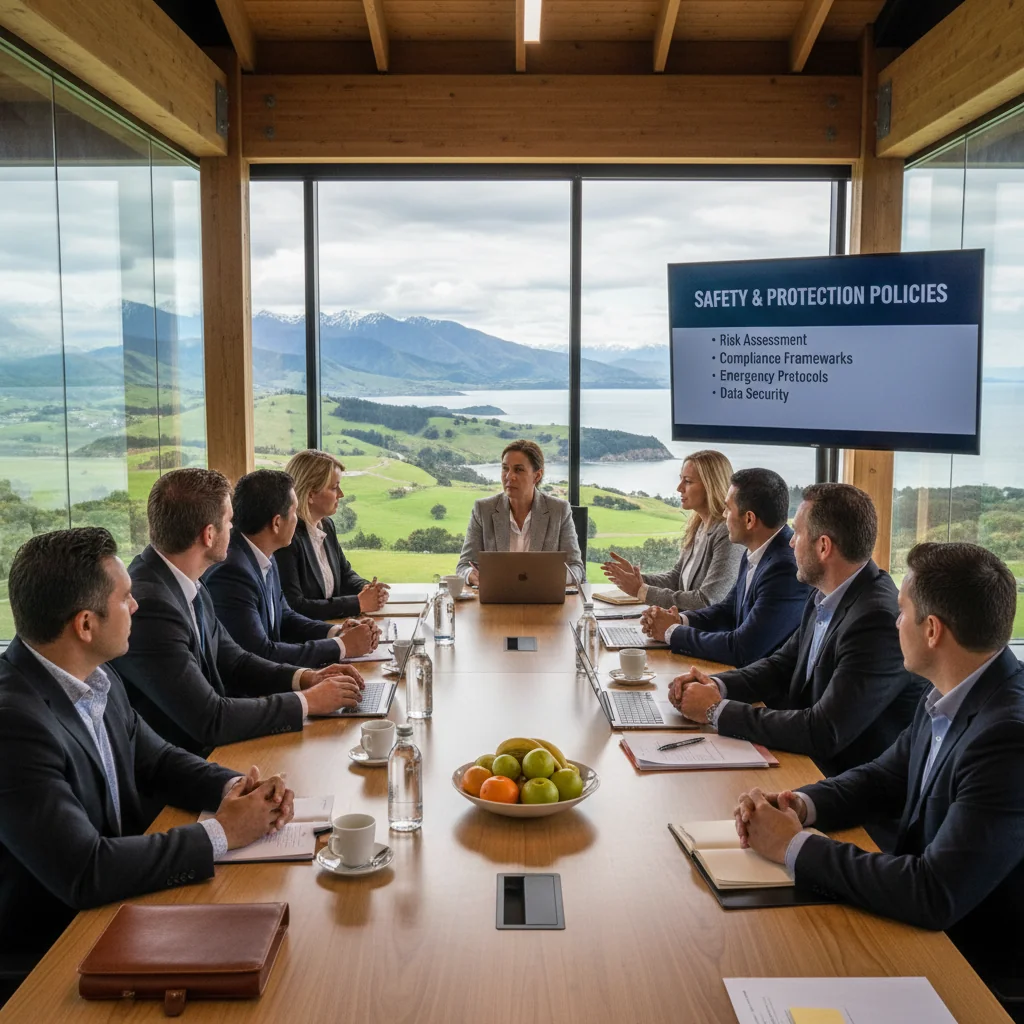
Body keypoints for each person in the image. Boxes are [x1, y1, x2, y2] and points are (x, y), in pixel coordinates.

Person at [0, 528, 296, 973]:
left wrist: (236, 788)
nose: (136, 606)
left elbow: (157, 759)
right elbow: (86, 870)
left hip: (125, 903)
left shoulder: (97, 676)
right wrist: (223, 833)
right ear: (85, 624)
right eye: (125, 598)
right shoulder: (13, 723)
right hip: (55, 953)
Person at [733, 542, 1024, 994]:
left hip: (970, 973)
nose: (894, 621)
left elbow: (933, 892)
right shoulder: (956, 691)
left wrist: (794, 845)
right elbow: (885, 777)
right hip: (917, 929)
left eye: (902, 612)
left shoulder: (1008, 738)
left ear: (932, 631)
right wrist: (800, 803)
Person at [668, 483, 926, 782]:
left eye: (798, 533)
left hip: (842, 786)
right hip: (805, 764)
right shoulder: (825, 594)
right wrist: (714, 684)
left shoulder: (876, 620)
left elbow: (824, 730)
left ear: (824, 546)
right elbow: (780, 665)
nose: (791, 544)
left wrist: (716, 710)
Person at [113, 469, 365, 756]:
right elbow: (210, 718)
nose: (234, 529)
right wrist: (307, 701)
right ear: (209, 535)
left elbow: (236, 661)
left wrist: (308, 678)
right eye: (229, 521)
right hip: (189, 768)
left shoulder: (185, 581)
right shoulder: (152, 607)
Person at [205, 469, 380, 667]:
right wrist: (342, 646)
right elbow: (260, 653)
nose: (298, 520)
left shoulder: (262, 555)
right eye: (294, 513)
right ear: (277, 523)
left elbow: (286, 617)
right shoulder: (232, 573)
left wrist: (338, 631)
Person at [641, 468, 809, 668]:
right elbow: (727, 610)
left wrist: (672, 632)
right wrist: (679, 619)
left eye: (728, 508)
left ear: (749, 519)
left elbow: (743, 649)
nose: (723, 514)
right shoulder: (756, 551)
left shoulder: (784, 568)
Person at [601, 450, 742, 610]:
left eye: (688, 481)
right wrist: (637, 579)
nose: (679, 488)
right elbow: (676, 579)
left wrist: (641, 591)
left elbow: (707, 600)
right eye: (680, 479)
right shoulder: (699, 526)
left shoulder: (727, 533)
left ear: (711, 486)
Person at [276, 449, 389, 622]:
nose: (341, 494)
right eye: (334, 487)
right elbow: (295, 606)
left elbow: (345, 574)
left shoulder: (326, 525)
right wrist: (358, 603)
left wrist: (367, 589)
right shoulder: (288, 539)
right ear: (311, 494)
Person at [456, 439, 584, 585]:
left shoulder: (559, 510)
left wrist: (551, 577)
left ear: (537, 476)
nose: (509, 476)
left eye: (518, 469)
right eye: (505, 468)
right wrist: (471, 575)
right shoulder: (483, 509)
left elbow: (577, 568)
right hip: (496, 600)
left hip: (543, 601)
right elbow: (463, 566)